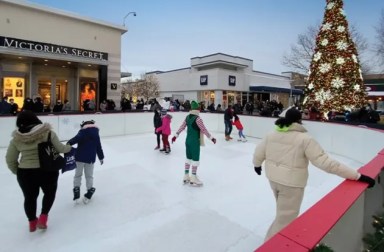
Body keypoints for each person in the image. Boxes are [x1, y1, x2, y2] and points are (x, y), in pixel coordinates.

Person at [252, 108, 376, 241]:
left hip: (273, 178)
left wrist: (257, 164)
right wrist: (357, 176)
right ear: (299, 120)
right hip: (291, 184)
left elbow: (260, 151)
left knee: (282, 213)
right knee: (286, 219)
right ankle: (271, 246)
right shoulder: (305, 139)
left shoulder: (272, 134)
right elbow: (326, 163)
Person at [5, 111, 72, 232]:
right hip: (47, 170)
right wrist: (70, 148)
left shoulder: (16, 139)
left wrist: (19, 172)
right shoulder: (47, 133)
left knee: (29, 198)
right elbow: (61, 149)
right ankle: (43, 217)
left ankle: (32, 222)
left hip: (25, 173)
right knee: (49, 193)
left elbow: (10, 159)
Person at [172, 100, 216, 186]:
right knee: (195, 160)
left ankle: (186, 175)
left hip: (187, 141)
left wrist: (175, 135)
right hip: (194, 142)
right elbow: (204, 129)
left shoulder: (187, 117)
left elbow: (182, 126)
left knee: (188, 158)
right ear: (197, 109)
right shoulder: (198, 119)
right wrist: (211, 138)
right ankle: (193, 177)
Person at [67, 120, 104, 204]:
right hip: (90, 159)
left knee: (78, 175)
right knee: (89, 176)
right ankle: (89, 190)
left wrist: (68, 143)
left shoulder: (83, 131)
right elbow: (98, 146)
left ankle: (76, 189)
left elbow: (75, 139)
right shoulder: (96, 133)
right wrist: (101, 157)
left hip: (79, 158)